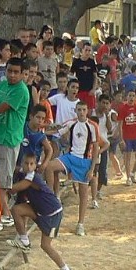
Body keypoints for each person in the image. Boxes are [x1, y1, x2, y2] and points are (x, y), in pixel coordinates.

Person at [7, 153, 73, 270]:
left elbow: (13, 189)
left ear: (35, 164)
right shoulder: (23, 173)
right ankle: (24, 240)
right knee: (16, 210)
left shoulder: (31, 178)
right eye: (26, 163)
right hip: (39, 210)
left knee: (45, 245)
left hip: (52, 214)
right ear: (22, 164)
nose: (29, 166)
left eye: (31, 164)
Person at [0, 57, 30, 226]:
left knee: (2, 180)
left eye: (16, 72)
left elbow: (0, 108)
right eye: (9, 71)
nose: (12, 75)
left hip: (9, 139)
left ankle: (6, 213)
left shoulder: (21, 90)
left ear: (23, 74)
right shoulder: (2, 85)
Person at [44, 100, 98, 236]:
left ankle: (80, 224)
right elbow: (57, 131)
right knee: (50, 166)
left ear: (87, 111)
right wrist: (43, 129)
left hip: (84, 161)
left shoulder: (92, 126)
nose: (81, 112)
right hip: (70, 157)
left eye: (84, 110)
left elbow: (96, 148)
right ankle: (51, 196)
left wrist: (92, 169)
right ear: (75, 111)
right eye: (79, 110)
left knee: (83, 193)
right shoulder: (71, 123)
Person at [117, 88, 136, 186]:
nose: (131, 98)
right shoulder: (123, 108)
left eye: (133, 96)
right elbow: (120, 125)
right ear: (126, 97)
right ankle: (128, 177)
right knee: (127, 157)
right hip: (127, 137)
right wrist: (121, 139)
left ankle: (133, 173)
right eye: (130, 96)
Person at [71, 42, 98, 112]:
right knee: (79, 110)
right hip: (79, 91)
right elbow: (71, 75)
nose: (87, 52)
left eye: (89, 50)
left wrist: (94, 89)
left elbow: (95, 77)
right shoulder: (76, 62)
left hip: (89, 91)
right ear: (82, 50)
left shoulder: (92, 62)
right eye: (86, 50)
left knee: (90, 111)